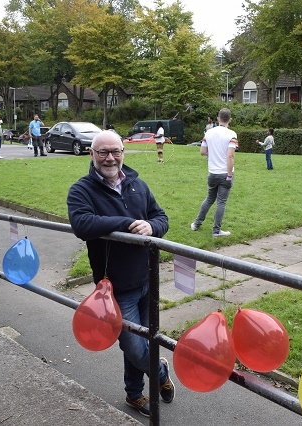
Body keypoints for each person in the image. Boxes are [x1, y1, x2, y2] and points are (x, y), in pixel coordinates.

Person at [66, 130, 175, 418]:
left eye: (115, 151)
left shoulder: (138, 185)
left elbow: (161, 217)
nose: (110, 158)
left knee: (142, 342)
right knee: (134, 346)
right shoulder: (82, 190)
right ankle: (160, 371)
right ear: (91, 154)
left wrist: (152, 228)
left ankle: (134, 395)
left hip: (148, 280)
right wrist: (128, 224)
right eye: (102, 152)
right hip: (116, 287)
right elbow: (82, 224)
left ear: (123, 152)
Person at [191, 108, 237, 237]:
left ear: (218, 119)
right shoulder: (232, 134)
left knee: (210, 198)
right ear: (230, 120)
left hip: (212, 173)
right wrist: (229, 174)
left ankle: (196, 224)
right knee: (221, 202)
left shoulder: (209, 133)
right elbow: (230, 156)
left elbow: (202, 152)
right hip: (224, 173)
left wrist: (214, 153)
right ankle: (216, 231)